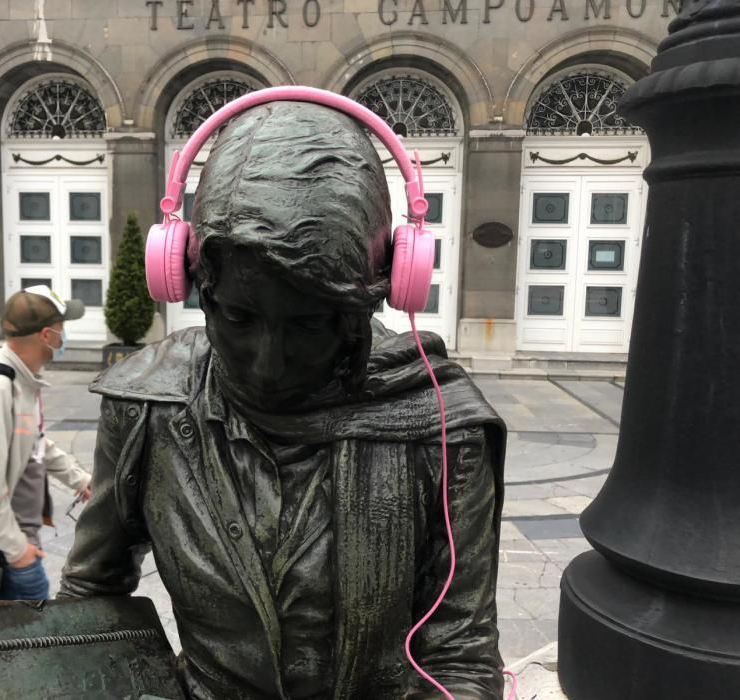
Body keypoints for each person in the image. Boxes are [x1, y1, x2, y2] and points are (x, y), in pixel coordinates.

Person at [60, 102, 505, 698]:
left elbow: (460, 658)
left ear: (366, 305)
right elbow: (90, 599)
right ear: (196, 287)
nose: (267, 363)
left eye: (308, 325)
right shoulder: (148, 406)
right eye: (240, 317)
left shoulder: (441, 429)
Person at [0, 285, 93, 601]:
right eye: (62, 329)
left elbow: (35, 443)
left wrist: (79, 480)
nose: (64, 337)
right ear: (47, 336)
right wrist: (18, 551)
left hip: (15, 540)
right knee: (25, 640)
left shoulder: (21, 379)